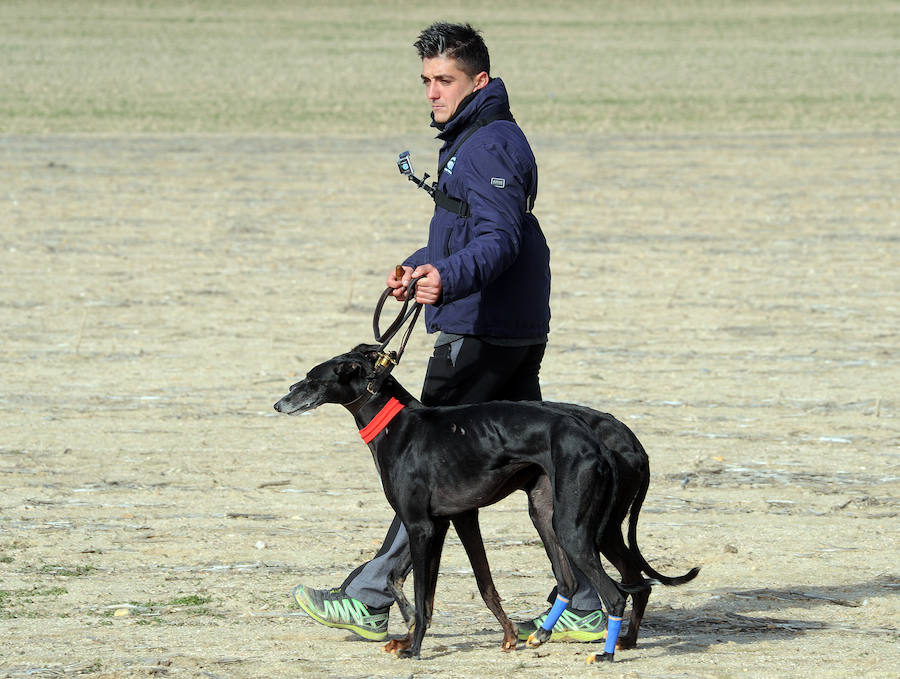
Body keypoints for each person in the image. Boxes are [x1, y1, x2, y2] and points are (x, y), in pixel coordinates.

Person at [292, 21, 606, 644]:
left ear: (478, 81)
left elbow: (499, 240)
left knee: (419, 464)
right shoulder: (478, 138)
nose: (433, 93)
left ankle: (372, 594)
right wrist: (420, 265)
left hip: (481, 328)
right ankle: (587, 599)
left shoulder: (486, 144)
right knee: (537, 468)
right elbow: (465, 232)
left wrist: (447, 280)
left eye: (446, 80)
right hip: (510, 324)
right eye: (427, 81)